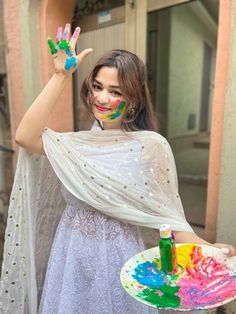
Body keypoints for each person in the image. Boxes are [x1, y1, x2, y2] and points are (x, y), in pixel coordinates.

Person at [0, 23, 235, 314]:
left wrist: (208, 249)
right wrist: (61, 76)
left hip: (118, 259)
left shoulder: (151, 146)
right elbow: (24, 135)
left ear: (133, 100)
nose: (101, 98)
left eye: (115, 92)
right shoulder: (76, 145)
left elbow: (169, 219)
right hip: (70, 256)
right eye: (97, 86)